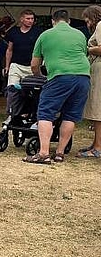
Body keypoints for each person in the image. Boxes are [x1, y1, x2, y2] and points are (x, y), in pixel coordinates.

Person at [23, 9, 90, 164]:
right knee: (70, 115)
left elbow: (34, 64)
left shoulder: (45, 35)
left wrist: (40, 76)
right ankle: (59, 153)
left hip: (60, 76)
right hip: (83, 77)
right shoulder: (80, 35)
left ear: (53, 21)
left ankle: (43, 153)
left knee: (46, 113)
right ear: (69, 21)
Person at [3, 9, 41, 121]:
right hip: (16, 65)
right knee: (12, 89)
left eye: (32, 19)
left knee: (32, 91)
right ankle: (11, 114)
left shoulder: (38, 32)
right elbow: (9, 50)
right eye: (28, 18)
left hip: (32, 66)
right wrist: (7, 66)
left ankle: (29, 114)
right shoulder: (13, 32)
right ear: (21, 19)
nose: (30, 21)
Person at [79, 5, 101, 157]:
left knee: (97, 108)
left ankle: (98, 148)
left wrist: (86, 49)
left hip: (99, 69)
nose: (87, 24)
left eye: (87, 20)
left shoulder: (100, 25)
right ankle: (95, 143)